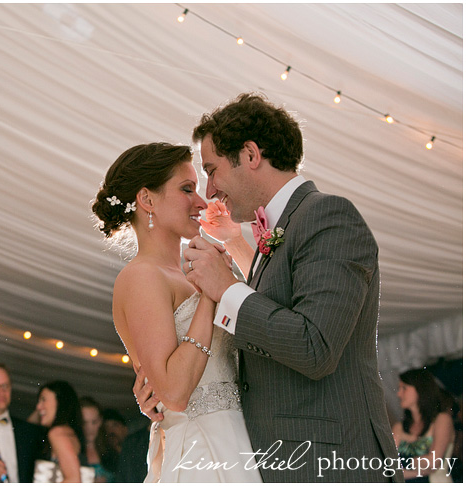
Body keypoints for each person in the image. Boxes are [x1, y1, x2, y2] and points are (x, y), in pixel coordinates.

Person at [131, 92, 402, 482]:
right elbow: (265, 343)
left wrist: (226, 289)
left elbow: (315, 347)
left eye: (213, 169)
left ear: (251, 154)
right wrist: (174, 390)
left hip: (330, 462)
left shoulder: (329, 216)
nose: (210, 191)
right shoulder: (275, 235)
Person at [92, 142, 262, 482]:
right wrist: (212, 295)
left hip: (238, 441)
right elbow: (173, 392)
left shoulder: (184, 276)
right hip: (201, 451)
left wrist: (232, 242)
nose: (202, 202)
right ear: (147, 200)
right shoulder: (141, 276)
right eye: (187, 189)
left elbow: (263, 313)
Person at [392, 369, 456, 482]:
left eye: (404, 388)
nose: (398, 394)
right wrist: (417, 465)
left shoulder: (442, 420)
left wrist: (403, 464)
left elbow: (433, 463)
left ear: (420, 390)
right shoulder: (398, 427)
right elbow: (389, 464)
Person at [30, 380, 93, 483]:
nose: (38, 407)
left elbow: (74, 479)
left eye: (43, 400)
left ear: (60, 401)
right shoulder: (68, 432)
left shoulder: (57, 433)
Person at [79, 397, 115, 482]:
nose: (89, 428)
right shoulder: (71, 450)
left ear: (100, 421)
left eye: (94, 422)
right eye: (84, 422)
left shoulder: (111, 451)